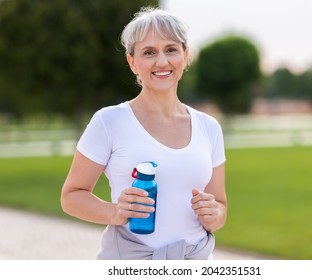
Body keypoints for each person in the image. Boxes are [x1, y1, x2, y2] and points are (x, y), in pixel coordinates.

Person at [60, 6, 227, 260]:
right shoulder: (109, 121)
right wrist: (115, 211)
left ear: (185, 55)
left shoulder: (209, 127)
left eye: (171, 49)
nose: (162, 62)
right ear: (132, 62)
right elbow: (71, 196)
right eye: (149, 52)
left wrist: (215, 215)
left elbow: (220, 206)